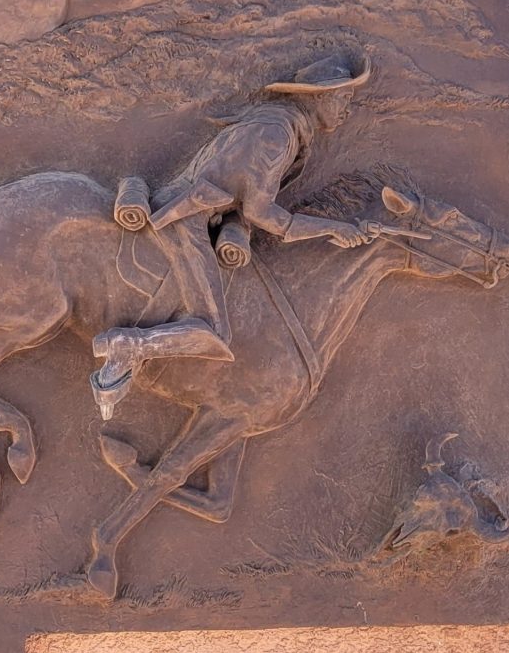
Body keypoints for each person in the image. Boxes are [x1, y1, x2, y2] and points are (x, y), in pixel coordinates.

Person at [90, 51, 371, 415]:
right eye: (343, 98)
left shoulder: (280, 127)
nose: (347, 109)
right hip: (185, 218)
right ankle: (127, 346)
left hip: (201, 217)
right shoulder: (275, 134)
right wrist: (333, 228)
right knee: (213, 332)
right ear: (318, 98)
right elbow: (260, 212)